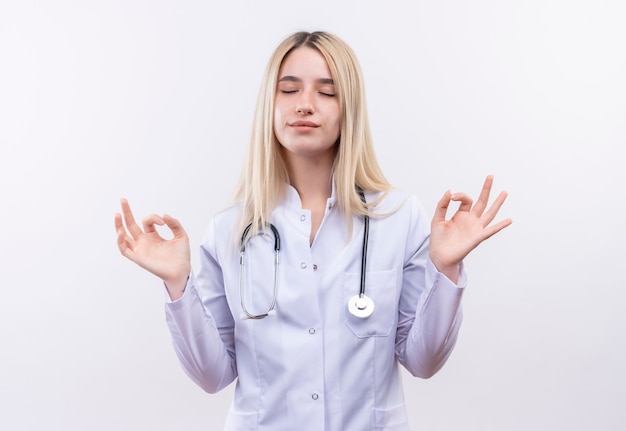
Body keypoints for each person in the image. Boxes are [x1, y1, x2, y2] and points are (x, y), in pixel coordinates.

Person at [115, 31, 511, 431]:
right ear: (269, 104)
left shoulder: (398, 218)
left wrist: (446, 271)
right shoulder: (229, 231)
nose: (305, 105)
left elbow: (423, 362)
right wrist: (178, 285)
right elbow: (211, 376)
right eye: (289, 90)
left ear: (349, 108)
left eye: (327, 92)